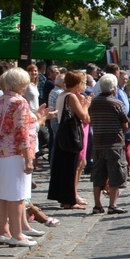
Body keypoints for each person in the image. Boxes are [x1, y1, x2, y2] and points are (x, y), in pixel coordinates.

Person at [0, 67, 39, 248]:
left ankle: (4, 231)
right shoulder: (19, 102)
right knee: (17, 196)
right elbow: (22, 133)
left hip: (0, 151)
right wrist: (28, 158)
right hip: (15, 152)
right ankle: (17, 235)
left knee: (1, 195)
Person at [86, 75, 130, 215]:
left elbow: (91, 120)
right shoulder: (116, 103)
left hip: (98, 142)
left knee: (98, 174)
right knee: (115, 174)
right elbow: (125, 123)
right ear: (114, 88)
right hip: (114, 144)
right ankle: (112, 205)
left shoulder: (93, 103)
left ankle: (97, 205)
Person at [47, 71, 90, 210]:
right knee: (70, 167)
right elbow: (83, 116)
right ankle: (69, 200)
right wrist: (86, 104)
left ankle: (67, 199)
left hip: (62, 133)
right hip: (70, 135)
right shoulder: (71, 96)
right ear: (77, 83)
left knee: (64, 167)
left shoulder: (62, 94)